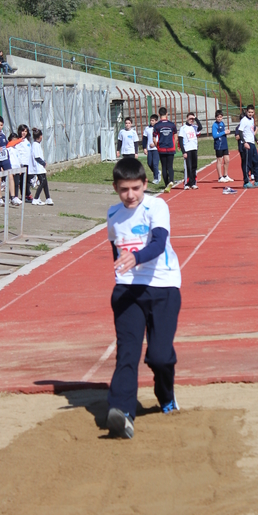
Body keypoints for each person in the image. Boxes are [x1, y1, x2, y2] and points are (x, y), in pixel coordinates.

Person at [106, 157, 181, 439]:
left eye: (135, 188)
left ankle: (166, 395)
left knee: (160, 357)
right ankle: (122, 412)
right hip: (127, 290)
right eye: (124, 189)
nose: (130, 195)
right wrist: (122, 269)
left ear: (145, 184)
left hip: (163, 287)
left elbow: (159, 244)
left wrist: (134, 258)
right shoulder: (113, 214)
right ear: (115, 187)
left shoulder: (157, 206)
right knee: (127, 353)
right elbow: (115, 248)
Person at [238, 104, 258, 189]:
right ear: (246, 112)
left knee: (256, 162)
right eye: (249, 112)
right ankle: (246, 181)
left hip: (252, 143)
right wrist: (244, 142)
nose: (250, 113)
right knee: (247, 163)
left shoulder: (252, 120)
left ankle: (257, 180)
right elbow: (240, 132)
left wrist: (257, 140)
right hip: (247, 144)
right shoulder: (244, 120)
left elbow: (251, 132)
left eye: (252, 112)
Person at [153, 107, 177, 193]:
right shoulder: (172, 125)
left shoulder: (157, 125)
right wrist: (175, 143)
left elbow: (154, 139)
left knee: (164, 166)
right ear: (167, 114)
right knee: (170, 166)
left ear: (159, 115)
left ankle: (167, 183)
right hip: (170, 147)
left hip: (161, 148)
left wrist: (157, 145)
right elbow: (175, 135)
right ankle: (171, 180)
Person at [31, 128, 53, 206]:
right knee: (42, 182)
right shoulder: (35, 145)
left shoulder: (37, 144)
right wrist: (43, 163)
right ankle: (36, 198)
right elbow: (37, 157)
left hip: (41, 168)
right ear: (41, 136)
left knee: (45, 182)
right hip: (38, 168)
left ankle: (48, 198)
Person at [178, 112, 199, 190]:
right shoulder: (183, 128)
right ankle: (186, 183)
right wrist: (183, 152)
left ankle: (193, 183)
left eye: (192, 119)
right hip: (187, 149)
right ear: (187, 118)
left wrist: (195, 118)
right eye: (190, 119)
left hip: (194, 149)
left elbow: (200, 127)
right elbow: (180, 140)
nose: (191, 120)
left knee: (194, 166)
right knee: (188, 167)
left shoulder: (194, 127)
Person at [212, 109, 233, 183]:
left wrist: (226, 132)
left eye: (220, 117)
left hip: (224, 144)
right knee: (219, 160)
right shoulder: (214, 125)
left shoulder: (222, 123)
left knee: (227, 160)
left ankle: (225, 175)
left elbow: (223, 133)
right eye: (218, 117)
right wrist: (224, 132)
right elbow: (214, 135)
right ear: (215, 117)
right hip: (218, 145)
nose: (219, 118)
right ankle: (220, 177)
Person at [15, 124, 34, 202]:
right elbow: (18, 153)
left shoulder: (27, 141)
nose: (24, 133)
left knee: (27, 180)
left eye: (25, 131)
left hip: (28, 163)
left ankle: (27, 193)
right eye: (23, 131)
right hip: (22, 163)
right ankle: (25, 195)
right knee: (23, 180)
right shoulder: (18, 141)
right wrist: (19, 164)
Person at [142, 114, 160, 184]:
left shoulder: (158, 128)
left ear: (156, 121)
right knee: (149, 163)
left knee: (155, 164)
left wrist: (155, 144)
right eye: (151, 120)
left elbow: (161, 138)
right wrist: (144, 148)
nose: (151, 122)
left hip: (156, 149)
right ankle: (157, 172)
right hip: (149, 149)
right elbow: (144, 139)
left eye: (153, 120)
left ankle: (156, 178)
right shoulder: (147, 128)